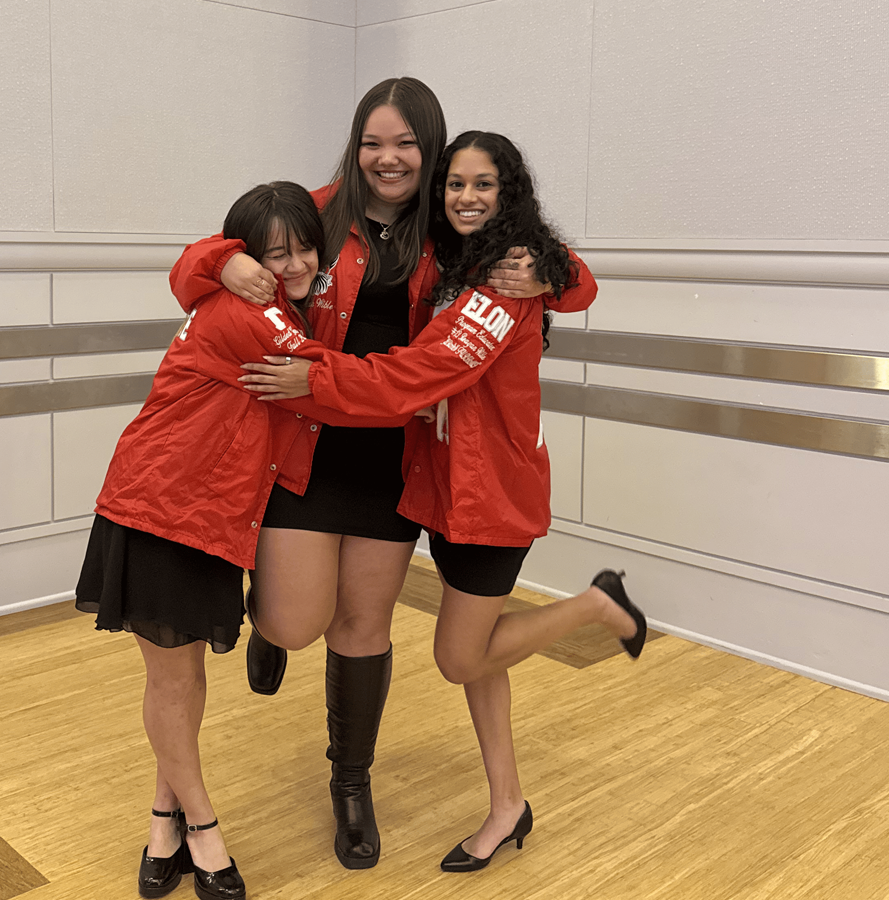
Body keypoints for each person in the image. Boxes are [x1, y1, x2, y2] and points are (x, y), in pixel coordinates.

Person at [168, 77, 565, 871]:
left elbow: (558, 266)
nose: (388, 159)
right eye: (373, 143)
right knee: (292, 620)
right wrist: (221, 259)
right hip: (305, 440)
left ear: (431, 149)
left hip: (391, 455)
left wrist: (557, 274)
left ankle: (351, 784)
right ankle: (268, 630)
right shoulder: (319, 211)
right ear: (355, 148)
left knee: (363, 627)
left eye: (407, 145)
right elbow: (195, 268)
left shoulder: (451, 233)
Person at [239, 132, 648, 873]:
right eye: (456, 185)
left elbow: (424, 372)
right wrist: (224, 261)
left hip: (489, 495)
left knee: (462, 658)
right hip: (441, 490)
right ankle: (507, 804)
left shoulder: (504, 279)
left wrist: (317, 380)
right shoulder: (455, 259)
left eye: (483, 186)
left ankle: (595, 604)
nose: (465, 198)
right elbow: (236, 242)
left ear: (508, 194)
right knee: (480, 656)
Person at [75, 182, 342, 900]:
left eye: (304, 248)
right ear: (247, 258)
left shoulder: (260, 299)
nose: (292, 264)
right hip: (160, 508)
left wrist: (366, 159)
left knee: (182, 678)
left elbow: (326, 191)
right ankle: (203, 828)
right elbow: (327, 378)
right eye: (272, 252)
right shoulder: (250, 312)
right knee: (171, 678)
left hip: (209, 514)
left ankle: (163, 817)